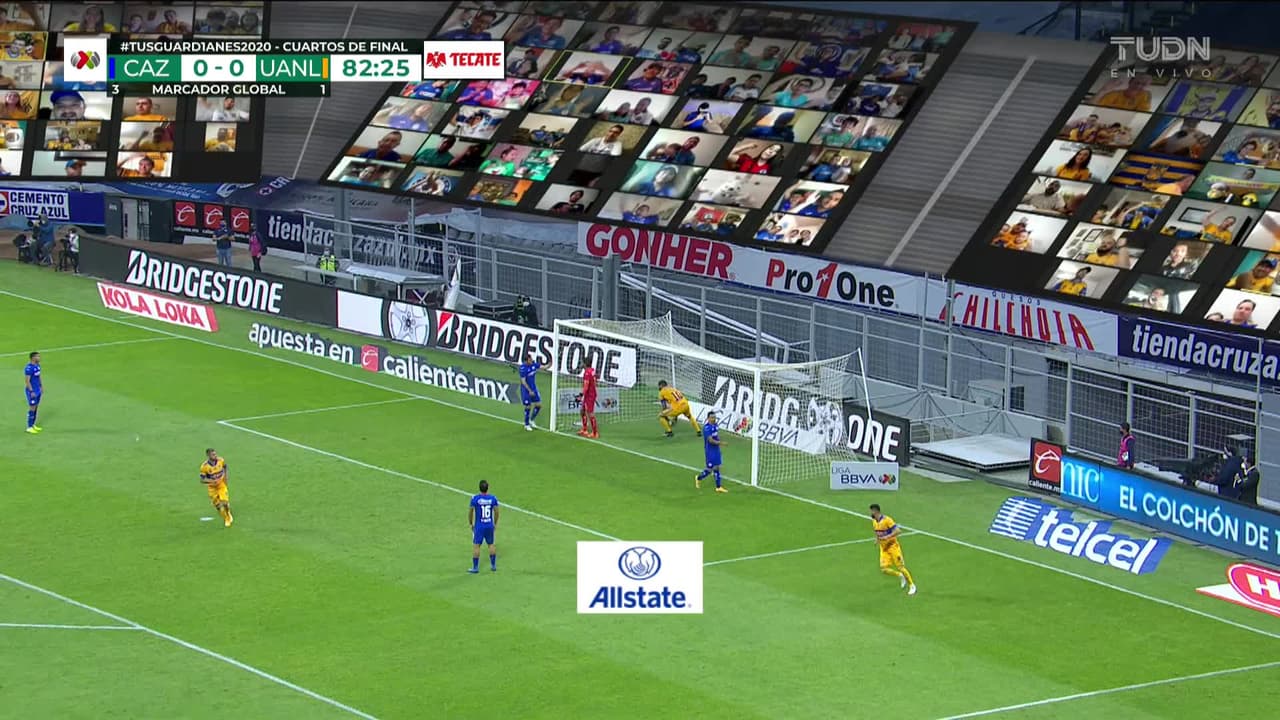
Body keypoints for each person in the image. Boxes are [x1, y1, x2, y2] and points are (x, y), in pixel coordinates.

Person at [871, 504, 916, 595]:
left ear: (876, 511)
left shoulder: (887, 520)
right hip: (884, 549)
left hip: (893, 547)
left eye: (872, 511)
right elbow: (877, 532)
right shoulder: (874, 522)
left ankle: (912, 586)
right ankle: (900, 575)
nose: (871, 513)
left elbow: (898, 531)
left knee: (901, 567)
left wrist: (887, 536)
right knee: (884, 569)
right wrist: (877, 539)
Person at [467, 480, 499, 573]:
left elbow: (470, 512)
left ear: (479, 488)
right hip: (489, 525)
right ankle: (493, 566)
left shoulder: (475, 499)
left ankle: (475, 568)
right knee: (491, 544)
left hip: (479, 526)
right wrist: (495, 523)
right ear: (487, 488)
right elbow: (497, 512)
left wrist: (470, 523)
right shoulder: (493, 498)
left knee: (477, 545)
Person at [199, 448, 234, 528]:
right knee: (218, 506)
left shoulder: (220, 460)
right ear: (208, 456)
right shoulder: (204, 467)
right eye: (213, 455)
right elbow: (202, 480)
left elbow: (225, 467)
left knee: (225, 502)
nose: (215, 456)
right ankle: (225, 515)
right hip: (212, 488)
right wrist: (212, 481)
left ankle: (227, 517)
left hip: (221, 485)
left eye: (215, 454)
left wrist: (226, 476)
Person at [694, 411, 727, 493]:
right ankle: (698, 478)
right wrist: (721, 443)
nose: (713, 419)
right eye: (712, 418)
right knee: (709, 469)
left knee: (717, 467)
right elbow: (710, 440)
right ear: (708, 418)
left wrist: (719, 444)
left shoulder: (716, 425)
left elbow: (716, 436)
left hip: (716, 450)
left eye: (714, 417)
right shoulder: (706, 428)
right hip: (710, 451)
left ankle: (718, 487)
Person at [518, 353, 543, 431]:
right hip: (526, 390)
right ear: (526, 360)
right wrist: (530, 391)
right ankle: (526, 424)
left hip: (533, 388)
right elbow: (523, 381)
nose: (531, 360)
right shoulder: (523, 368)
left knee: (538, 405)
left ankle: (531, 420)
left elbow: (544, 367)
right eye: (530, 359)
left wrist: (551, 362)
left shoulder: (533, 365)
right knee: (528, 406)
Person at [578, 360, 598, 438]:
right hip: (590, 394)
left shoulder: (587, 373)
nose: (581, 364)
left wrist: (581, 395)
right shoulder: (592, 370)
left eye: (583, 363)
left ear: (585, 364)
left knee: (590, 413)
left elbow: (586, 385)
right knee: (582, 411)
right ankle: (585, 429)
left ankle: (595, 433)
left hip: (589, 395)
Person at [24, 351, 41, 434]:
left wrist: (41, 386)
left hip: (38, 390)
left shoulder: (37, 366)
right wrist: (31, 391)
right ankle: (29, 427)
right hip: (32, 391)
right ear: (33, 358)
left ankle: (33, 424)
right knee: (32, 408)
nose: (39, 358)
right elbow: (27, 381)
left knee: (36, 407)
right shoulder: (29, 368)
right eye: (38, 356)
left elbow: (38, 377)